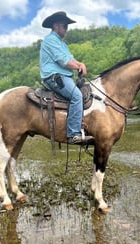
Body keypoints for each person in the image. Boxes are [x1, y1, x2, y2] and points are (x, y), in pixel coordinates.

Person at [39, 11, 94, 145]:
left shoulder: (62, 44)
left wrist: (81, 64)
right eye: (65, 26)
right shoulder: (50, 40)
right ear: (56, 26)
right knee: (76, 96)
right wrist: (78, 66)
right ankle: (73, 134)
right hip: (54, 77)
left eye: (67, 27)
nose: (66, 29)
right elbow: (63, 61)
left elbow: (71, 59)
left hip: (64, 77)